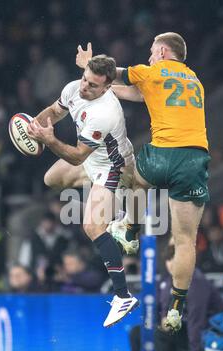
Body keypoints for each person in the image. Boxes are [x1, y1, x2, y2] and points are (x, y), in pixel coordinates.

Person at [76, 33, 210, 332]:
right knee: (186, 239)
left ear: (163, 51)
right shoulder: (195, 80)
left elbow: (109, 72)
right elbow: (141, 94)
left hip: (162, 154)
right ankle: (177, 307)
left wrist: (89, 65)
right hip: (193, 159)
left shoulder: (153, 71)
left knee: (134, 178)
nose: (149, 57)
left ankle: (130, 232)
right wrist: (110, 90)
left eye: (152, 52)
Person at [27, 54, 139, 327]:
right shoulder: (73, 87)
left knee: (91, 226)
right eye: (84, 79)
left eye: (92, 85)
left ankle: (123, 296)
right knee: (51, 179)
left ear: (106, 87)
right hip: (92, 159)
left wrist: (49, 139)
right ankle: (113, 204)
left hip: (113, 166)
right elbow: (53, 113)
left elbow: (76, 156)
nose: (84, 87)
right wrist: (33, 127)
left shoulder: (105, 113)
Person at [129, 238, 223, 351]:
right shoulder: (165, 282)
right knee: (137, 333)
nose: (172, 263)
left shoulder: (196, 282)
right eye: (169, 258)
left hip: (199, 335)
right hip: (172, 332)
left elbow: (196, 320)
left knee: (172, 330)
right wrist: (160, 320)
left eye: (176, 258)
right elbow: (156, 311)